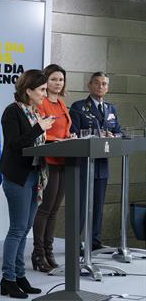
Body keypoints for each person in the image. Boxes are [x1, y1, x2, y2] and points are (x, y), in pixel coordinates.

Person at [0, 69, 54, 298]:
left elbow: (35, 144)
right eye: (41, 90)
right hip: (17, 176)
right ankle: (7, 279)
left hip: (34, 175)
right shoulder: (12, 112)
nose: (45, 93)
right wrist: (39, 128)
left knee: (26, 229)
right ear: (28, 90)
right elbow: (15, 145)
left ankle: (20, 276)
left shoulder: (34, 112)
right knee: (17, 229)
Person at [69, 72, 121, 253]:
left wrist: (114, 136)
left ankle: (95, 241)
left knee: (98, 204)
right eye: (97, 83)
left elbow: (119, 132)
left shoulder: (111, 109)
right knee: (81, 204)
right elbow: (73, 132)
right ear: (89, 85)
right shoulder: (78, 107)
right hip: (84, 163)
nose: (101, 87)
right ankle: (75, 242)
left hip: (101, 164)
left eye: (104, 84)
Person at [32, 64, 73, 272]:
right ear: (45, 81)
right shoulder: (42, 103)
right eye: (54, 79)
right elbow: (39, 132)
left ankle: (49, 251)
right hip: (49, 160)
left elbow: (65, 130)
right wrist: (55, 139)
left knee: (55, 210)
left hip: (65, 159)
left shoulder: (62, 103)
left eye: (61, 80)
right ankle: (38, 254)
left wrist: (70, 138)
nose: (58, 83)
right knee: (45, 208)